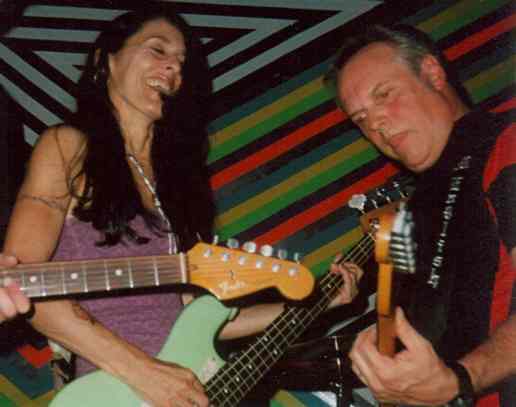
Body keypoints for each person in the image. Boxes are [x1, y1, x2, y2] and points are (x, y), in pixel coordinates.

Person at [0, 5, 361, 407]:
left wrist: (318, 302)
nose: (173, 67)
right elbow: (19, 285)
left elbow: (194, 317)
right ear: (107, 60)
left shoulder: (175, 181)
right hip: (116, 392)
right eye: (158, 50)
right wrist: (145, 373)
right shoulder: (68, 147)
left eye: (181, 62)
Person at [331, 24, 515, 406]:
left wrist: (462, 378)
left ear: (432, 74)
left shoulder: (505, 144)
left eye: (384, 94)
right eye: (361, 118)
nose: (375, 124)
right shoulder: (415, 210)